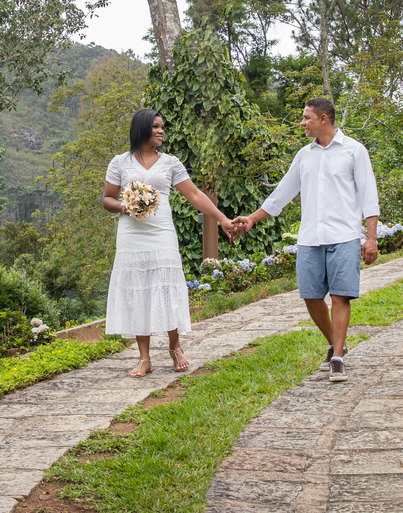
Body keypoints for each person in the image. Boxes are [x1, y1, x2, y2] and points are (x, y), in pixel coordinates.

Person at [233, 97, 379, 382]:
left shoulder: (354, 151)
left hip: (345, 235)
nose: (302, 123)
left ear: (323, 119)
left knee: (340, 295)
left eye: (306, 118)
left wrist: (370, 237)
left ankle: (337, 357)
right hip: (310, 237)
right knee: (311, 296)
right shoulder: (304, 155)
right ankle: (336, 343)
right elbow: (282, 194)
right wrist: (251, 218)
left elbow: (368, 195)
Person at [103, 109, 237, 377]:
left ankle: (175, 347)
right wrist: (125, 206)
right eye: (155, 127)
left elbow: (195, 195)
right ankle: (144, 358)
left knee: (165, 288)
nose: (161, 131)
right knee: (137, 289)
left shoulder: (171, 163)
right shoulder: (120, 163)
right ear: (142, 128)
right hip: (131, 235)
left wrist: (222, 218)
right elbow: (107, 199)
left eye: (162, 127)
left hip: (162, 232)